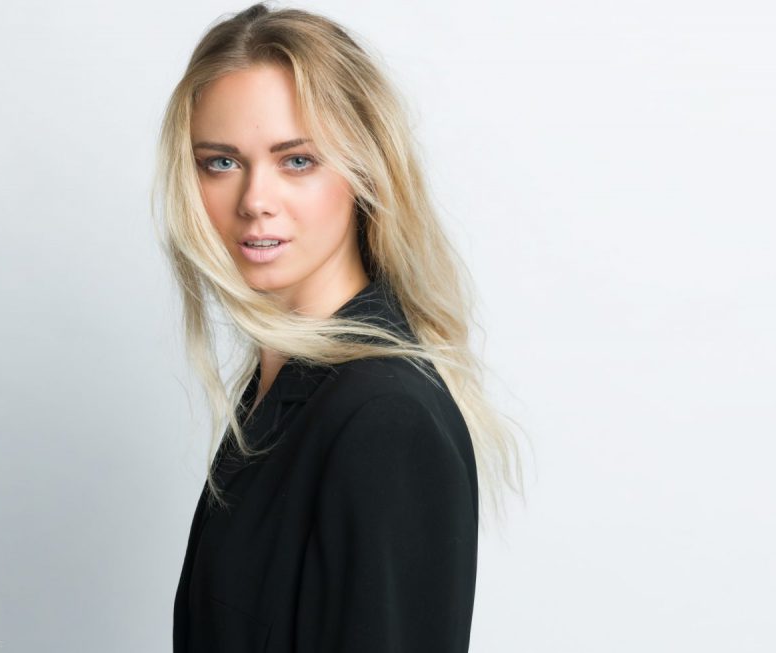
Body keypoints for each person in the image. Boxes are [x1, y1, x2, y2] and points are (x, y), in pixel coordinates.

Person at [150, 3, 527, 651]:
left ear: (364, 171)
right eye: (221, 162)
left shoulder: (382, 418)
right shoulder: (280, 392)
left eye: (297, 160)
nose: (255, 200)